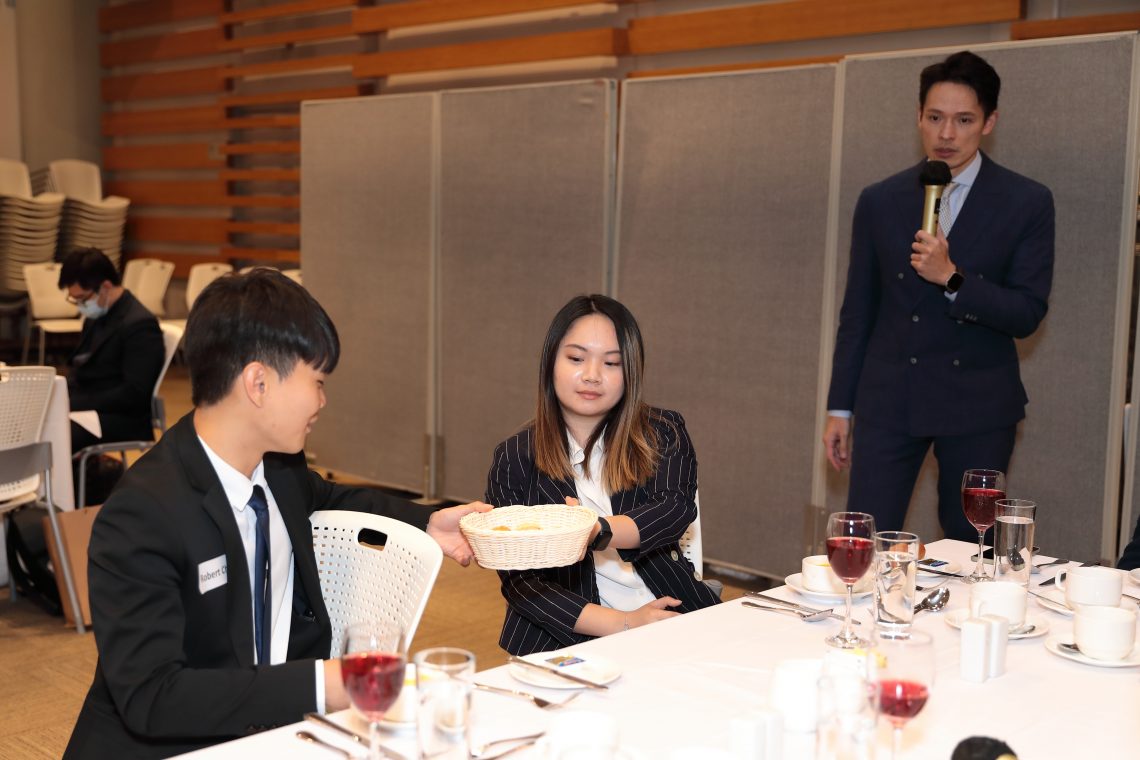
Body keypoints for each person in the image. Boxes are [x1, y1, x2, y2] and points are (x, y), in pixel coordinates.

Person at [63, 269, 491, 759]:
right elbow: (152, 697)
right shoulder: (142, 514)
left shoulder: (280, 467)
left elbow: (329, 500)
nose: (322, 401)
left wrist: (426, 521)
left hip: (270, 736)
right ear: (259, 383)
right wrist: (326, 683)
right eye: (317, 381)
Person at [822, 51, 1054, 541]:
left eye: (964, 120)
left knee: (971, 546)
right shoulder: (880, 200)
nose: (947, 134)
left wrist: (953, 279)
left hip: (977, 403)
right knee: (865, 540)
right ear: (919, 118)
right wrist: (840, 407)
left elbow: (1027, 312)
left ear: (989, 122)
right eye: (935, 118)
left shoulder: (1026, 202)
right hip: (888, 399)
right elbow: (858, 311)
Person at [485, 294, 720, 656]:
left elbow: (674, 510)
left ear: (631, 373)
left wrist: (596, 530)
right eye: (576, 358)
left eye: (612, 363)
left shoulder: (663, 432)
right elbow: (522, 583)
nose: (592, 375)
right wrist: (623, 623)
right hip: (562, 638)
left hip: (668, 612)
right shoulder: (515, 457)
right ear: (551, 361)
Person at [58, 247, 166, 453]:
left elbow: (134, 394)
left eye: (82, 299)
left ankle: (70, 485)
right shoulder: (97, 316)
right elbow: (81, 365)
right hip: (95, 407)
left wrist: (75, 403)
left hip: (124, 418)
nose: (80, 306)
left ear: (105, 287)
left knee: (58, 435)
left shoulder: (140, 325)